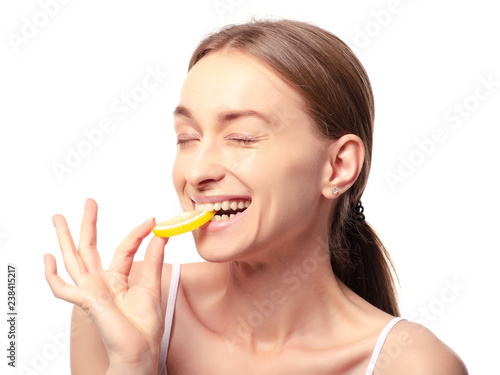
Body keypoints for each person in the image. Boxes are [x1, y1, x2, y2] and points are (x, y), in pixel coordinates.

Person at [44, 19, 468, 374]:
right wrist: (131, 362)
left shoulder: (412, 364)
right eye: (187, 137)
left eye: (242, 137)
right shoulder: (117, 307)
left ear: (337, 166)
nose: (196, 172)